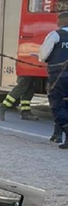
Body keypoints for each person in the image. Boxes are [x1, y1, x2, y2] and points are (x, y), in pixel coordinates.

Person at [39, 9, 68, 149]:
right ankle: (59, 135)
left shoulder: (55, 35)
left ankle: (65, 132)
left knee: (56, 105)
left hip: (59, 76)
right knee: (66, 106)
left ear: (61, 22)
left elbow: (43, 55)